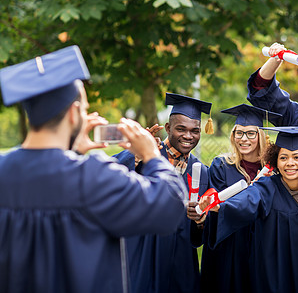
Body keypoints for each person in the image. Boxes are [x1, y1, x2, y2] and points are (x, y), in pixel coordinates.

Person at [0, 46, 187, 293]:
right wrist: (151, 154)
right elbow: (170, 207)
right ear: (73, 113)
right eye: (85, 107)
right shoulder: (94, 175)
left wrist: (72, 150)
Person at [199, 126, 298, 292]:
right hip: (277, 272)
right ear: (275, 161)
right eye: (283, 158)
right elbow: (247, 200)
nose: (290, 163)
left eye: (297, 157)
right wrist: (219, 207)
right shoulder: (267, 186)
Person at [115, 92, 211, 293]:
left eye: (195, 131)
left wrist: (200, 221)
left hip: (181, 263)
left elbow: (197, 238)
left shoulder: (201, 171)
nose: (188, 136)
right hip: (144, 253)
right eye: (181, 129)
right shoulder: (147, 157)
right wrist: (135, 154)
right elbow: (114, 178)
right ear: (168, 128)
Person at [200, 104, 281, 293]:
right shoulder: (221, 166)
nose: (244, 139)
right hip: (230, 245)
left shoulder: (273, 169)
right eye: (239, 133)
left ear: (261, 136)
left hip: (262, 243)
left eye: (251, 133)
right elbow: (220, 209)